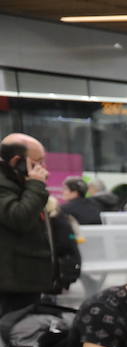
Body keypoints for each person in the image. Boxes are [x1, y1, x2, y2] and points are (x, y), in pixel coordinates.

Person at [0, 133, 53, 317]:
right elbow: (19, 217)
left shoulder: (18, 180)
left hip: (22, 278)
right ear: (17, 161)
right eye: (38, 162)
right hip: (11, 284)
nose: (44, 169)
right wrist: (36, 186)